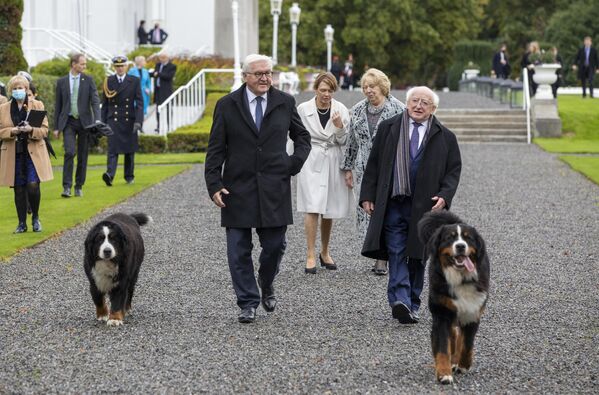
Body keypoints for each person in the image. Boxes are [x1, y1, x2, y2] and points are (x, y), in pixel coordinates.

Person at [204, 54, 311, 324]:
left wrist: (292, 164)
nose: (265, 78)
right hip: (237, 187)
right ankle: (247, 302)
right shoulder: (227, 105)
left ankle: (266, 281)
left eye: (268, 73)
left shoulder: (284, 102)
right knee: (237, 249)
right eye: (259, 74)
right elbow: (216, 148)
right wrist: (214, 184)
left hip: (275, 185)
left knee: (275, 246)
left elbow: (302, 137)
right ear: (245, 77)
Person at [359, 86, 462, 324]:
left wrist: (445, 196)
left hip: (427, 209)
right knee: (396, 251)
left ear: (433, 109)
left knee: (418, 256)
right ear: (407, 103)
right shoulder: (389, 128)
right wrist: (367, 195)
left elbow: (453, 171)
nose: (418, 106)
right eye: (414, 101)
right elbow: (373, 164)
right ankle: (400, 300)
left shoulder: (445, 137)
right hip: (394, 203)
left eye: (424, 103)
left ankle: (412, 303)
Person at [341, 68, 405, 275]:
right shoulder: (358, 110)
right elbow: (351, 140)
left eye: (372, 86)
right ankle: (375, 250)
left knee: (386, 210)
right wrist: (347, 167)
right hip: (364, 169)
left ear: (383, 87)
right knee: (367, 210)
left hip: (391, 169)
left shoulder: (399, 109)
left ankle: (382, 258)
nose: (368, 90)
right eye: (365, 87)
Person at [296, 72, 352, 274]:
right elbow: (294, 136)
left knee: (329, 207)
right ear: (316, 89)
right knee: (312, 206)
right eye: (323, 90)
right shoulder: (303, 109)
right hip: (311, 159)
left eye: (330, 91)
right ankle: (310, 254)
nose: (326, 94)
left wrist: (339, 128)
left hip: (333, 159)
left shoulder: (341, 110)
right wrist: (291, 162)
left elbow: (345, 141)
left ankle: (325, 251)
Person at [0, 75, 53, 233]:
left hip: (33, 151)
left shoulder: (37, 105)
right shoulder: (3, 109)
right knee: (19, 188)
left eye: (21, 88)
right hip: (14, 152)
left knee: (32, 185)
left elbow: (44, 130)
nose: (18, 91)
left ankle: (35, 217)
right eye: (15, 88)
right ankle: (21, 223)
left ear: (26, 89)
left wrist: (30, 130)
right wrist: (12, 131)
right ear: (11, 91)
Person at [54, 53, 101, 198]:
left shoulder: (88, 80)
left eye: (85, 64)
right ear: (73, 64)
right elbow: (58, 105)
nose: (84, 67)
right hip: (68, 122)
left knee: (82, 155)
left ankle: (78, 186)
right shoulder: (61, 82)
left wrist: (97, 120)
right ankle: (66, 187)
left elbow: (94, 100)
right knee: (69, 152)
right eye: (82, 64)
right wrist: (56, 127)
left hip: (85, 122)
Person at [101, 56, 143, 186]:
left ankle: (129, 176)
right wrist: (102, 123)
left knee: (129, 150)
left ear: (127, 67)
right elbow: (105, 104)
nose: (120, 68)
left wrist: (138, 121)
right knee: (112, 149)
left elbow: (140, 103)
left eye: (122, 66)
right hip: (113, 120)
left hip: (129, 120)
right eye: (117, 66)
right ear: (114, 67)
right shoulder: (108, 81)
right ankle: (110, 175)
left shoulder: (134, 81)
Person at [153, 53, 177, 131]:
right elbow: (154, 74)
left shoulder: (172, 66)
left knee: (169, 109)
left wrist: (158, 74)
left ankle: (169, 126)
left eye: (163, 57)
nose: (162, 59)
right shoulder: (158, 65)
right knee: (158, 109)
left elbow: (169, 76)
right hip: (158, 90)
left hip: (167, 91)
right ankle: (158, 126)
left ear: (167, 58)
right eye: (160, 57)